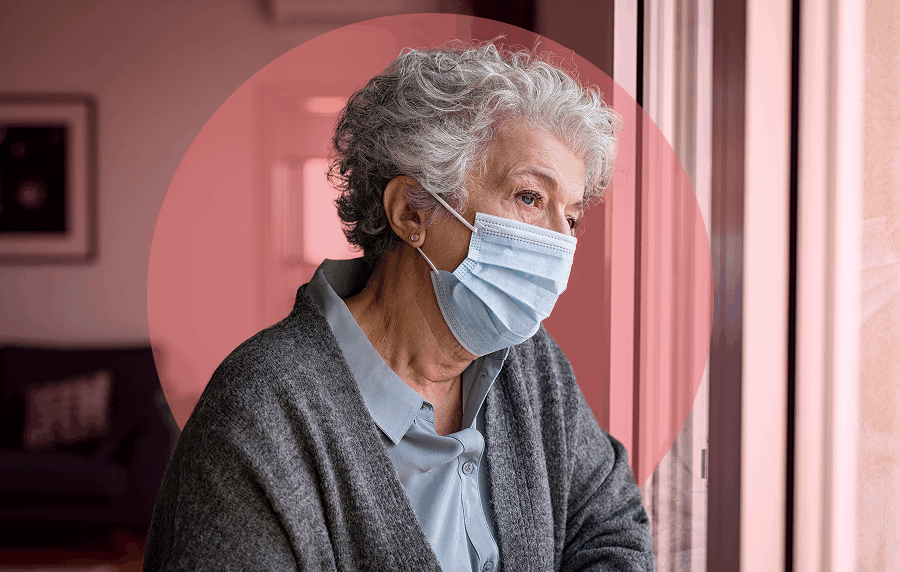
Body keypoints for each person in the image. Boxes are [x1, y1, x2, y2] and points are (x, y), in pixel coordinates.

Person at [143, 41, 655, 572]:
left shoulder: (533, 365)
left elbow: (612, 532)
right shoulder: (261, 412)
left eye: (570, 217)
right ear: (413, 212)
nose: (559, 243)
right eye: (530, 198)